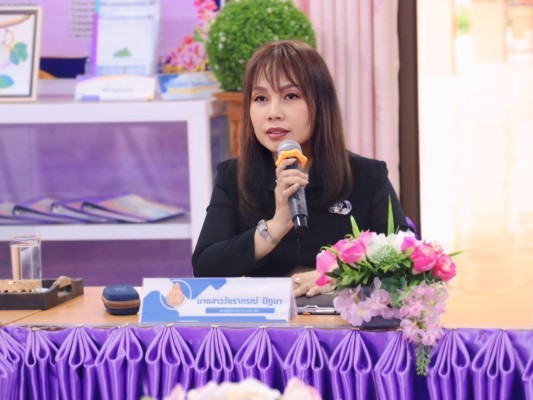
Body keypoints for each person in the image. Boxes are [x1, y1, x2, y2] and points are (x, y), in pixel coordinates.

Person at [192, 40, 409, 297]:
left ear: (321, 104)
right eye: (261, 98)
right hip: (267, 320)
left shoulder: (367, 176)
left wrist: (341, 273)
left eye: (290, 96)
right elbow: (205, 267)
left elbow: (405, 261)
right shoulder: (233, 176)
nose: (273, 113)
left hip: (340, 320)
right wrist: (276, 225)